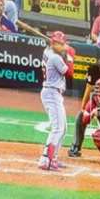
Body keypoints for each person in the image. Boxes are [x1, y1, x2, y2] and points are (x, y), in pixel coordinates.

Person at [36, 32, 72, 172]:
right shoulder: (55, 57)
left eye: (63, 43)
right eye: (60, 43)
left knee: (63, 128)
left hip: (53, 93)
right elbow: (70, 72)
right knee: (58, 128)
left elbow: (57, 50)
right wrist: (69, 55)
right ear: (53, 43)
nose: (63, 46)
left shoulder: (48, 51)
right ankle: (45, 159)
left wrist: (61, 48)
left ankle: (54, 157)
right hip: (52, 93)